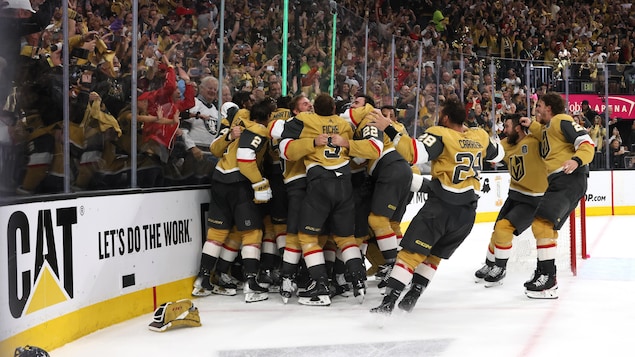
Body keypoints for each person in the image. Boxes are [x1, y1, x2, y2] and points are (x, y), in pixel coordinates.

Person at [368, 96, 504, 314]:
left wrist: (389, 128)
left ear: (446, 117)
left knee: (409, 255)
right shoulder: (479, 135)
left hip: (441, 208)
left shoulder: (441, 134)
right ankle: (413, 296)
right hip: (467, 214)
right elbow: (500, 154)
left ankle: (387, 305)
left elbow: (414, 153)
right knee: (433, 256)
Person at [269, 93, 381, 306]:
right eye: (304, 104)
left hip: (314, 185)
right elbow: (365, 154)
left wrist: (311, 141)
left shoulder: (304, 120)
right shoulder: (343, 123)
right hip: (343, 184)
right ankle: (357, 281)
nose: (308, 106)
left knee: (303, 236)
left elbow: (282, 145)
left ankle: (314, 284)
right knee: (344, 237)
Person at [519, 92, 594, 299]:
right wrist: (530, 125)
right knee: (546, 228)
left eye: (539, 106)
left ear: (549, 108)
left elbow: (586, 142)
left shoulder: (561, 119)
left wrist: (576, 160)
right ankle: (544, 273)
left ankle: (548, 279)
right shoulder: (547, 127)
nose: (536, 110)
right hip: (561, 181)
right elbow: (544, 133)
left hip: (569, 178)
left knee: (541, 224)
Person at [473, 114, 548, 288]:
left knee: (503, 228)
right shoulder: (505, 145)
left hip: (533, 200)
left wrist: (533, 125)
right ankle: (490, 264)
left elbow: (548, 137)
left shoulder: (534, 141)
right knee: (496, 231)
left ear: (517, 128)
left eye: (506, 126)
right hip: (514, 195)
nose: (503, 130)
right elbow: (491, 155)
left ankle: (500, 268)